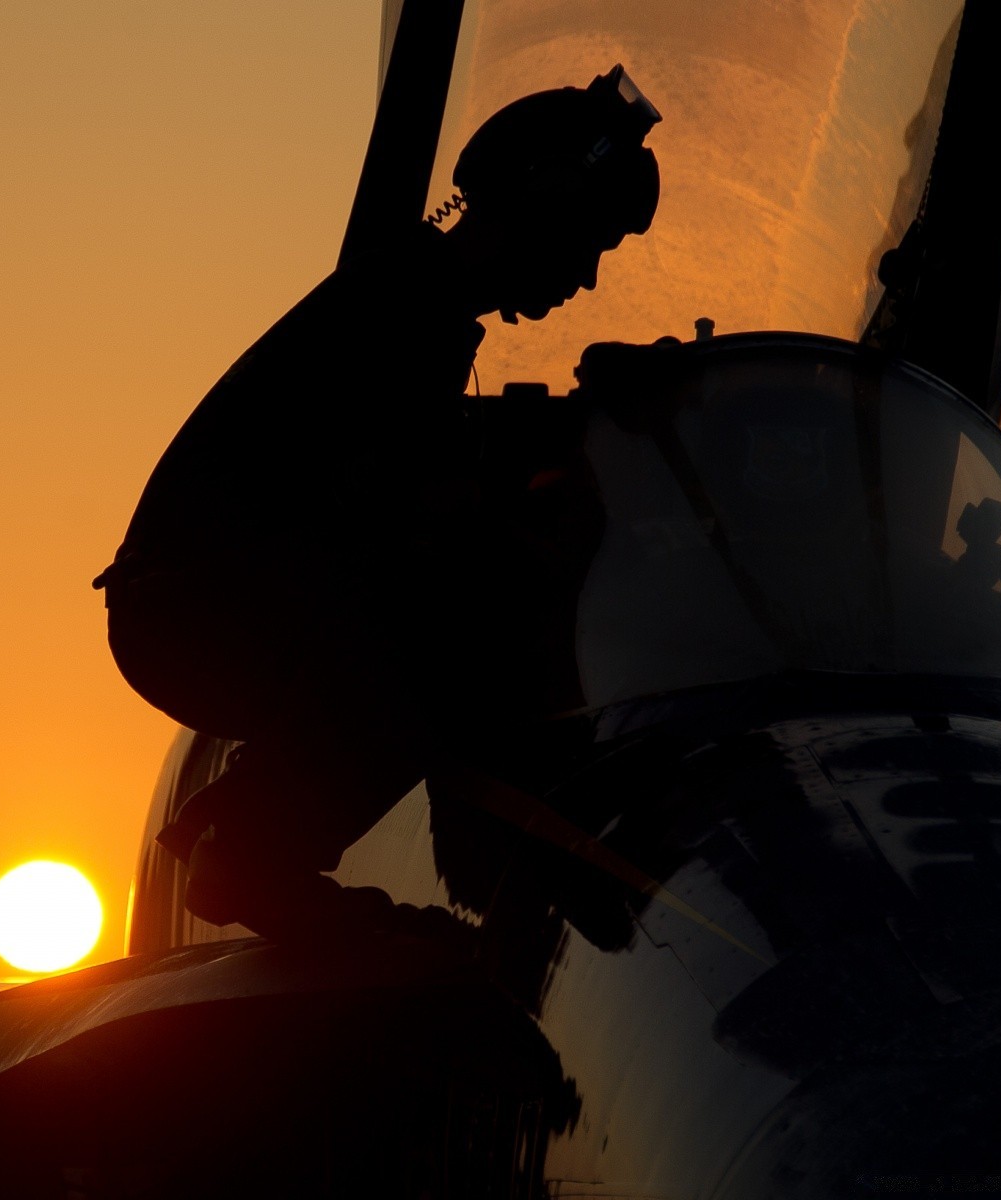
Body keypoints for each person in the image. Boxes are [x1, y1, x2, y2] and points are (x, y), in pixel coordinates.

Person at [95, 67, 663, 941]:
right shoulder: (404, 314)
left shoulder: (414, 300)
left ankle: (258, 810)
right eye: (584, 242)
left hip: (212, 597)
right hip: (194, 609)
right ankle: (250, 856)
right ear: (539, 203)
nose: (585, 278)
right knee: (466, 619)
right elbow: (416, 519)